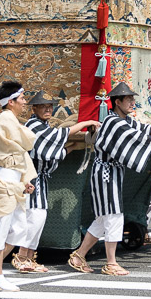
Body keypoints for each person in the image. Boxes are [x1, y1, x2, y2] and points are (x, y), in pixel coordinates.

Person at [69, 82, 151, 277]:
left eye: (133, 99)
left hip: (110, 172)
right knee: (114, 215)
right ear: (117, 102)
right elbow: (136, 137)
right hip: (106, 173)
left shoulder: (120, 119)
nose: (133, 102)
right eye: (129, 99)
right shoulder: (113, 122)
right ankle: (111, 262)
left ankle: (79, 255)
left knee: (103, 218)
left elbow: (142, 128)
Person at [12, 92, 97, 273]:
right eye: (43, 106)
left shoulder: (44, 125)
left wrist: (71, 148)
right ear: (34, 109)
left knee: (38, 218)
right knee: (33, 218)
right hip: (30, 177)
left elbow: (52, 147)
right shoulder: (34, 125)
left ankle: (29, 257)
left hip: (40, 178)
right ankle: (21, 256)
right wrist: (82, 124)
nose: (48, 109)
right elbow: (54, 138)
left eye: (50, 105)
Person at [0, 80, 37, 291]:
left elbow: (20, 152)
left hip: (13, 178)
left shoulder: (10, 120)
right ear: (11, 102)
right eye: (22, 99)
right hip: (3, 179)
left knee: (19, 230)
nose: (24, 102)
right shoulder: (4, 120)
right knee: (1, 230)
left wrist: (25, 179)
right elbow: (27, 141)